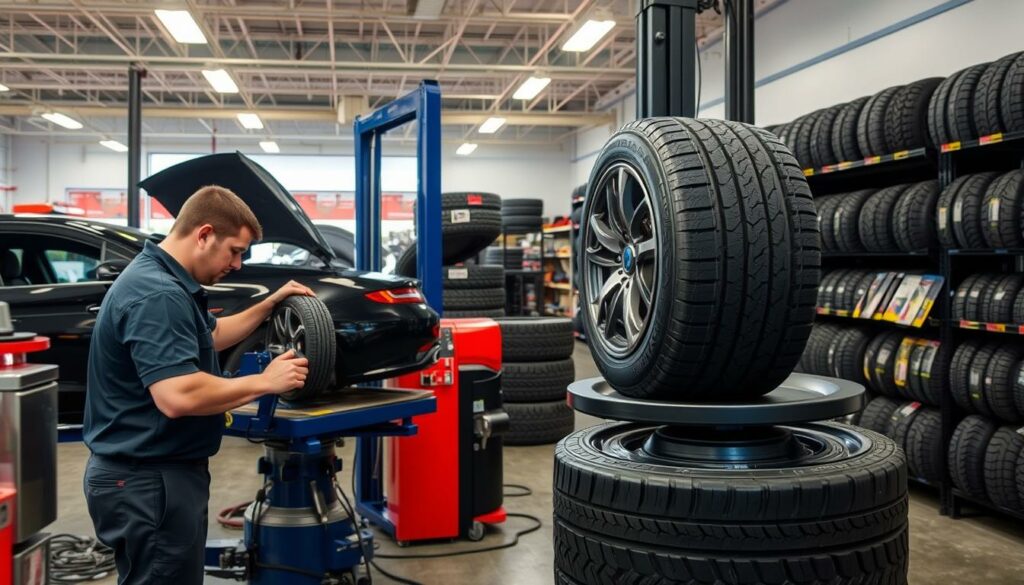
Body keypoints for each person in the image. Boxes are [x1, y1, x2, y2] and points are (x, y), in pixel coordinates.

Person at [82, 185, 314, 584]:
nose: (238, 264)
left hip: (153, 474)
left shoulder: (164, 280)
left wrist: (268, 305)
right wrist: (264, 381)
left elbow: (213, 335)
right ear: (204, 233)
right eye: (235, 251)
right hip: (147, 480)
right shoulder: (158, 294)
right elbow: (177, 394)